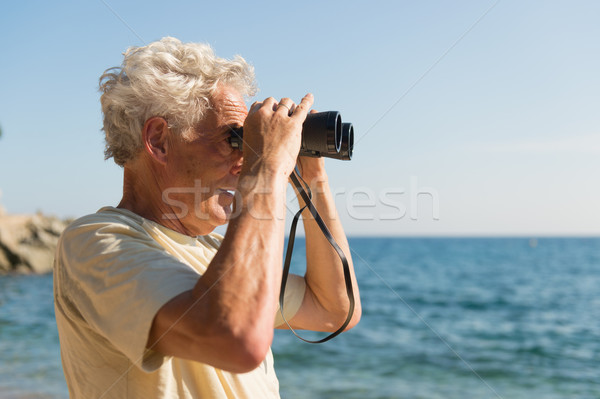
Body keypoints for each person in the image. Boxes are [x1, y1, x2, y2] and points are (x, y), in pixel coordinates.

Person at [53, 37, 361, 398]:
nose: (244, 159)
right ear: (159, 140)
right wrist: (267, 167)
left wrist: (312, 179)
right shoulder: (96, 244)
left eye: (249, 143)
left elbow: (334, 310)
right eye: (234, 139)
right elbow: (235, 339)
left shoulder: (220, 251)